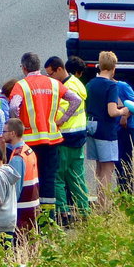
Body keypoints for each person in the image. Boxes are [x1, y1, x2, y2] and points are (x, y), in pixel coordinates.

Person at [8, 52, 81, 220]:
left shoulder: (21, 85)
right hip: (51, 139)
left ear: (24, 67)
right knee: (49, 178)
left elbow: (13, 106)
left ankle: (31, 216)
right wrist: (62, 119)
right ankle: (49, 219)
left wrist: (19, 123)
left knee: (30, 179)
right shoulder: (54, 83)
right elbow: (75, 100)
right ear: (39, 66)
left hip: (29, 142)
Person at [44, 56, 89, 223]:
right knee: (77, 177)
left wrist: (57, 121)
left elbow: (62, 111)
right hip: (79, 136)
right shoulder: (77, 83)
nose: (50, 78)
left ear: (59, 69)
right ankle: (84, 211)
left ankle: (63, 213)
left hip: (65, 136)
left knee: (58, 177)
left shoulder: (64, 87)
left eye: (51, 74)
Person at [85, 51, 129, 207]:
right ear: (113, 67)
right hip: (106, 131)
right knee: (108, 168)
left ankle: (98, 199)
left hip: (91, 128)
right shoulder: (111, 85)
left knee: (99, 166)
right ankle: (103, 204)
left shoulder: (90, 83)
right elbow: (112, 111)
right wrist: (123, 111)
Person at [2, 118, 40, 237]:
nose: (2, 134)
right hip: (32, 203)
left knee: (20, 242)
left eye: (4, 132)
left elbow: (15, 188)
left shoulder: (18, 156)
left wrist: (9, 207)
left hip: (22, 207)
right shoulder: (28, 150)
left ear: (12, 133)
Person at [114, 76, 134, 193]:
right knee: (117, 161)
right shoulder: (106, 87)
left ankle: (128, 192)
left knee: (126, 160)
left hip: (128, 127)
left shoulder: (123, 86)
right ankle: (122, 191)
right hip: (115, 128)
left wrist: (125, 116)